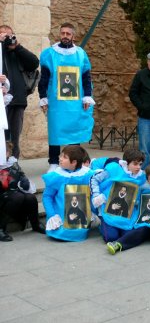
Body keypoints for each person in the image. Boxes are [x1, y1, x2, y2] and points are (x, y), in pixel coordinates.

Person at [38, 23, 94, 171]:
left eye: (68, 34)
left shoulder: (81, 54)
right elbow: (44, 78)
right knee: (55, 131)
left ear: (73, 36)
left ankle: (76, 161)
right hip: (57, 103)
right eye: (62, 33)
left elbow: (86, 77)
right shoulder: (49, 54)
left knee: (75, 130)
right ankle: (54, 162)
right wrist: (43, 97)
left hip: (75, 103)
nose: (65, 36)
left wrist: (87, 96)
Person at [105, 164, 150, 255]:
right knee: (139, 231)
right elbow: (135, 202)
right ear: (147, 179)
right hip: (147, 221)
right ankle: (118, 244)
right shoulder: (144, 189)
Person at [0, 25, 39, 159]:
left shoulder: (17, 52)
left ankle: (14, 166)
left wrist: (17, 47)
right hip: (1, 102)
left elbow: (34, 63)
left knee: (14, 138)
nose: (6, 38)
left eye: (8, 35)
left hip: (17, 101)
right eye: (3, 35)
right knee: (1, 136)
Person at [90, 149, 146, 242]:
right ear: (126, 163)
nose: (138, 167)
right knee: (111, 238)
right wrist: (96, 195)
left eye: (140, 164)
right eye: (135, 164)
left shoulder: (141, 176)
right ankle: (102, 223)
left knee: (128, 236)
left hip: (127, 213)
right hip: (108, 211)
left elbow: (148, 188)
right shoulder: (113, 169)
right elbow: (94, 179)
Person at [42, 145, 95, 241]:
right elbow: (47, 196)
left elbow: (93, 195)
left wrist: (99, 213)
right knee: (61, 231)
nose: (60, 159)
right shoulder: (56, 176)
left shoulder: (87, 175)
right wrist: (52, 215)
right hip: (60, 221)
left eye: (64, 157)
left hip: (80, 222)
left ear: (74, 162)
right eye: (61, 156)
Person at [0, 142, 43, 241]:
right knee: (17, 196)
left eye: (4, 151)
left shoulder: (13, 164)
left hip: (13, 197)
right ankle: (1, 228)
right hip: (2, 199)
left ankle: (35, 224)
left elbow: (22, 179)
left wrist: (24, 183)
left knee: (30, 197)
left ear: (8, 153)